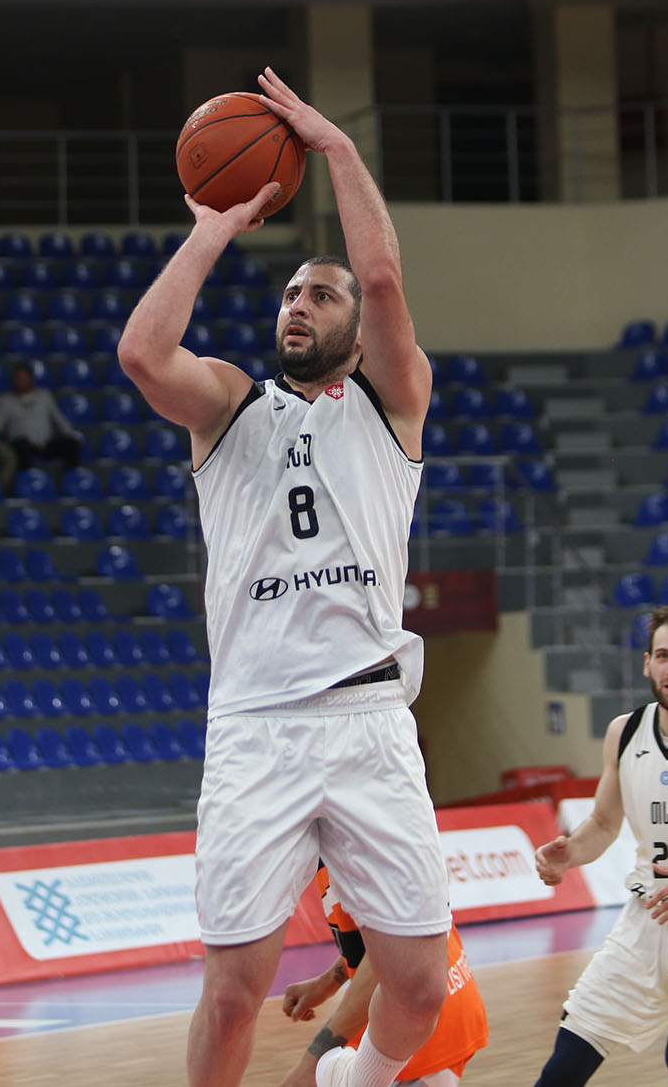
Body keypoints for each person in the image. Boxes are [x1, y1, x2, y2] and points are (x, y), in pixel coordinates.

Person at [118, 67, 451, 1087]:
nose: (300, 304)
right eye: (292, 293)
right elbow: (142, 354)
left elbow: (383, 280)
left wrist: (337, 148)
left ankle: (356, 1078)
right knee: (232, 992)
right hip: (257, 724)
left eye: (321, 293)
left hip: (367, 717)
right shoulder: (230, 406)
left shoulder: (392, 403)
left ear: (352, 325)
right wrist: (214, 229)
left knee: (420, 983)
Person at [531, 604, 668, 1087]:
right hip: (647, 918)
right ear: (647, 663)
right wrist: (570, 852)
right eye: (664, 655)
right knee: (565, 1064)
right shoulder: (624, 731)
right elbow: (603, 823)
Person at [280, 863, 487, 1087]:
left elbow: (393, 951)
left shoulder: (357, 848)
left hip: (420, 1020)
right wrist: (328, 982)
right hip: (434, 1004)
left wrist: (312, 1064)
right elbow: (383, 942)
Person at [0, 362, 81, 484]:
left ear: (31, 379)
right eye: (17, 378)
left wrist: (72, 435)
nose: (20, 381)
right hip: (23, 446)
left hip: (45, 444)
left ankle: (71, 483)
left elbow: (59, 419)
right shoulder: (6, 400)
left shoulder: (45, 396)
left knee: (70, 445)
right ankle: (27, 484)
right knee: (21, 447)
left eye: (23, 378)